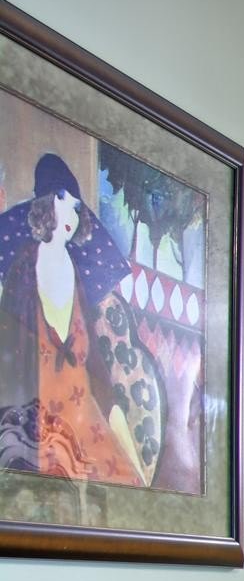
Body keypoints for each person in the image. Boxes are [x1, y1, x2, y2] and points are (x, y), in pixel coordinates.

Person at [0, 152, 178, 488]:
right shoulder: (24, 265)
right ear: (44, 202)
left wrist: (113, 412)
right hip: (38, 409)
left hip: (82, 405)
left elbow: (92, 352)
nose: (71, 212)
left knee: (122, 481)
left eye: (76, 205)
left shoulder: (75, 273)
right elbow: (10, 345)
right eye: (61, 198)